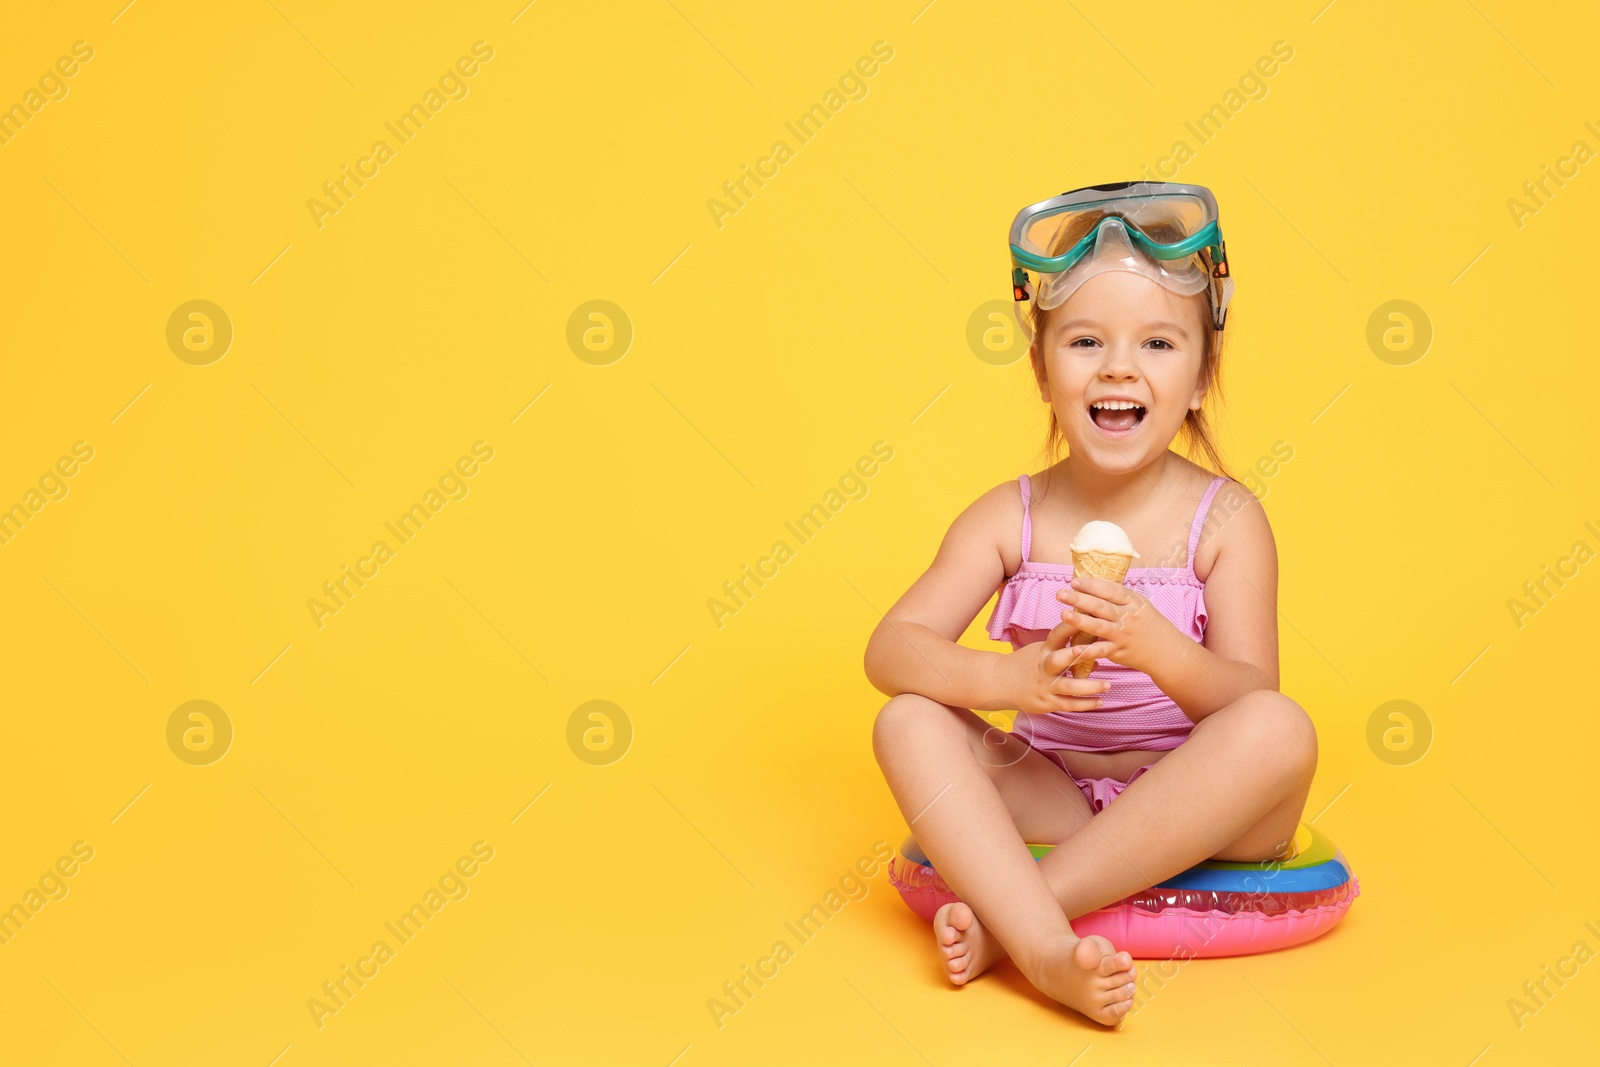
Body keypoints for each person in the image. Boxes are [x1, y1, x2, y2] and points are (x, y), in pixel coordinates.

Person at [864, 182, 1317, 1026]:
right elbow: (889, 651)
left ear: (1198, 376)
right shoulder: (1010, 517)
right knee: (906, 721)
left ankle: (1020, 923)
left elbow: (1252, 696)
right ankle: (1047, 949)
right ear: (1041, 369)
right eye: (1084, 341)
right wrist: (1012, 679)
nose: (1119, 366)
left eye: (1156, 341)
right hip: (1060, 792)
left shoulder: (1226, 521)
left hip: (1201, 810)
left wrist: (1163, 652)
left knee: (1282, 728)